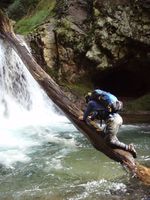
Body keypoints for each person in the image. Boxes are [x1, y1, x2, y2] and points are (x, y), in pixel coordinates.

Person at [79, 89, 137, 158]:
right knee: (106, 135)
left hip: (113, 121)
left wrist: (84, 118)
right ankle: (119, 145)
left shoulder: (91, 103)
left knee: (109, 142)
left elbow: (85, 116)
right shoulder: (102, 104)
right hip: (117, 119)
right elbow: (97, 113)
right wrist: (91, 117)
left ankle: (129, 148)